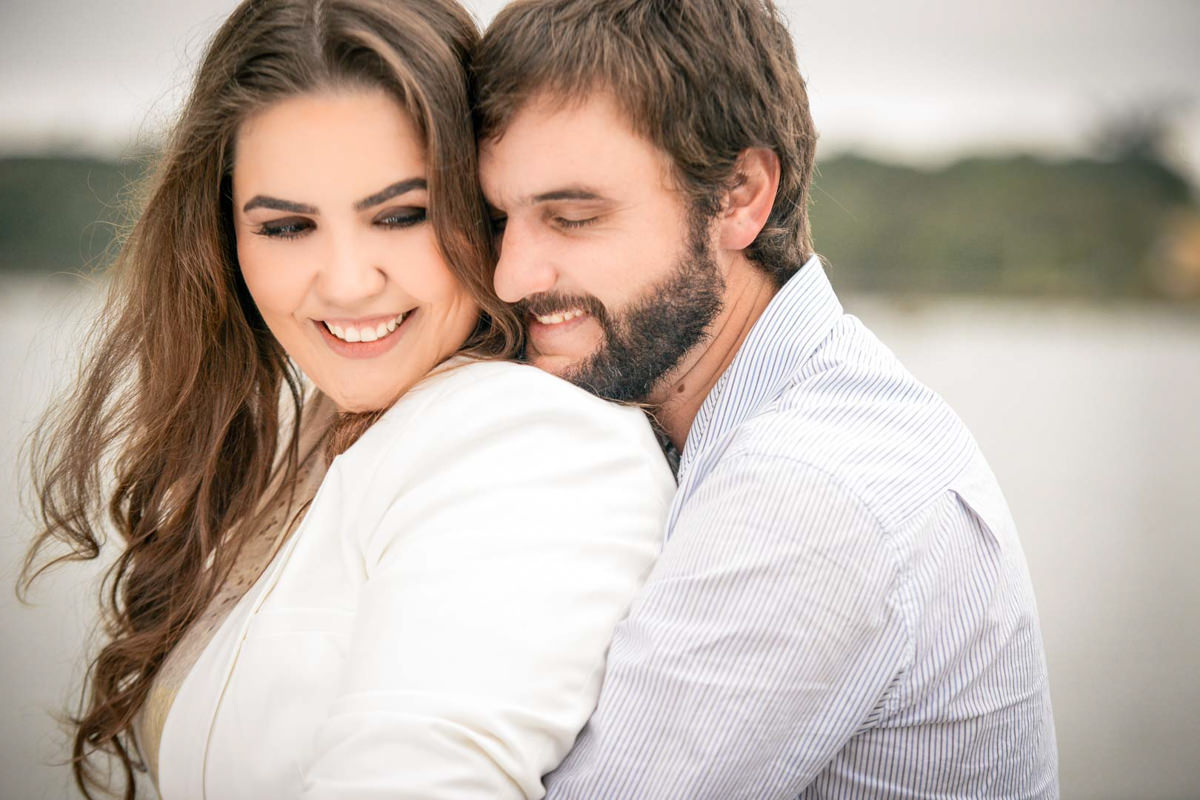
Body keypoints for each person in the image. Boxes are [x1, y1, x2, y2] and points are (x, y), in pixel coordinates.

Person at [19, 1, 674, 798]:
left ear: (479, 203)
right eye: (288, 227)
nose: (348, 282)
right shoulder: (314, 427)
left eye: (401, 215)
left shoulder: (533, 448)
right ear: (223, 238)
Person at [474, 0, 1060, 797]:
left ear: (740, 196)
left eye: (573, 217)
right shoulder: (752, 405)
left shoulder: (808, 491)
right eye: (498, 219)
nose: (512, 277)